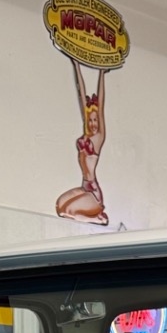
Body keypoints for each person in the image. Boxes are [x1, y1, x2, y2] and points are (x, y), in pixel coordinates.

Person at [56, 61, 108, 225]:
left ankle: (99, 219)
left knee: (67, 211)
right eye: (90, 120)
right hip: (84, 187)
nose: (93, 123)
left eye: (95, 120)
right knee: (59, 206)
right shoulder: (86, 136)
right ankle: (94, 216)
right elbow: (82, 96)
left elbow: (100, 103)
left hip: (93, 194)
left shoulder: (98, 138)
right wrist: (76, 66)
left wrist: (101, 73)